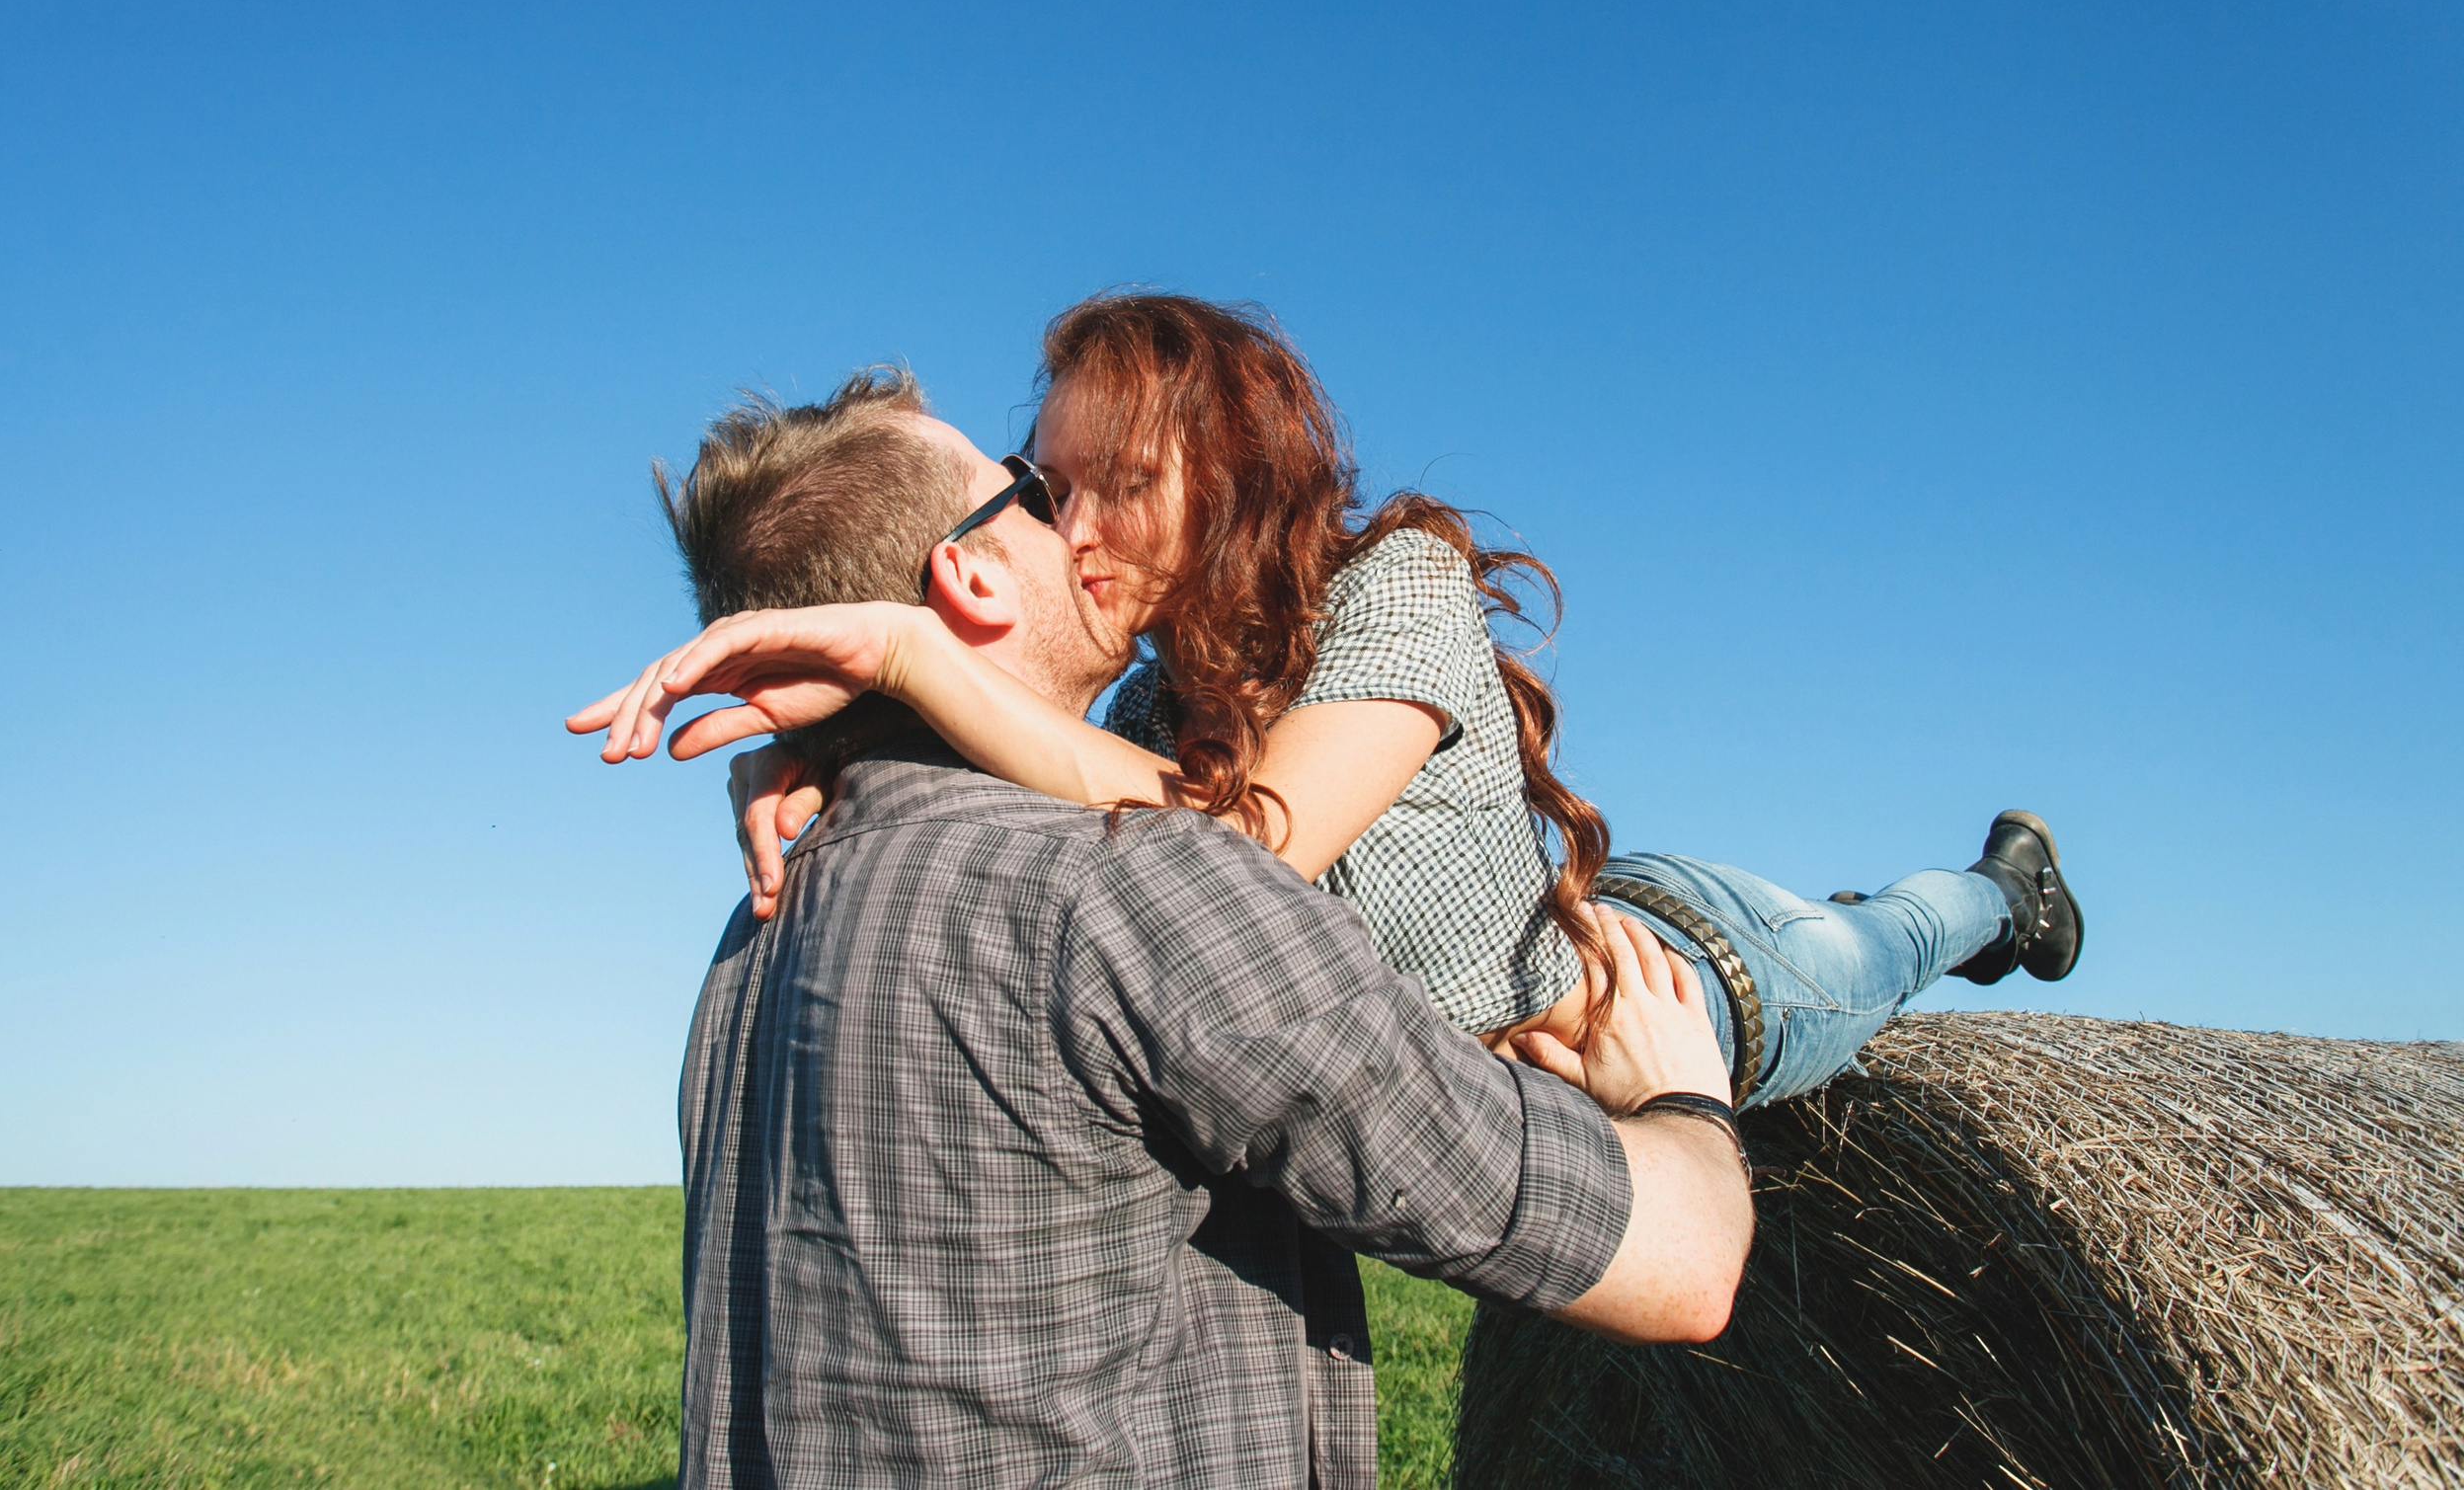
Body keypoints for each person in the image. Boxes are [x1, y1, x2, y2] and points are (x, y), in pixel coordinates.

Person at [586, 373, 1754, 1485]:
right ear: (971, 580)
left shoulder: (760, 928)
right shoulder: (1124, 887)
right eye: (1034, 494)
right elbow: (1680, 1264)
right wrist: (1682, 1100)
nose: (1085, 528)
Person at [577, 293, 2086, 1116]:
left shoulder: (1400, 584)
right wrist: (824, 753)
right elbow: (1068, 799)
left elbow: (1248, 848)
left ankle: (1997, 888)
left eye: (1125, 485)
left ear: (1230, 477)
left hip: (1689, 978)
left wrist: (907, 663)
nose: (1075, 530)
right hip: (1569, 946)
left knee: (1885, 944)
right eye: (1055, 488)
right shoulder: (1154, 711)